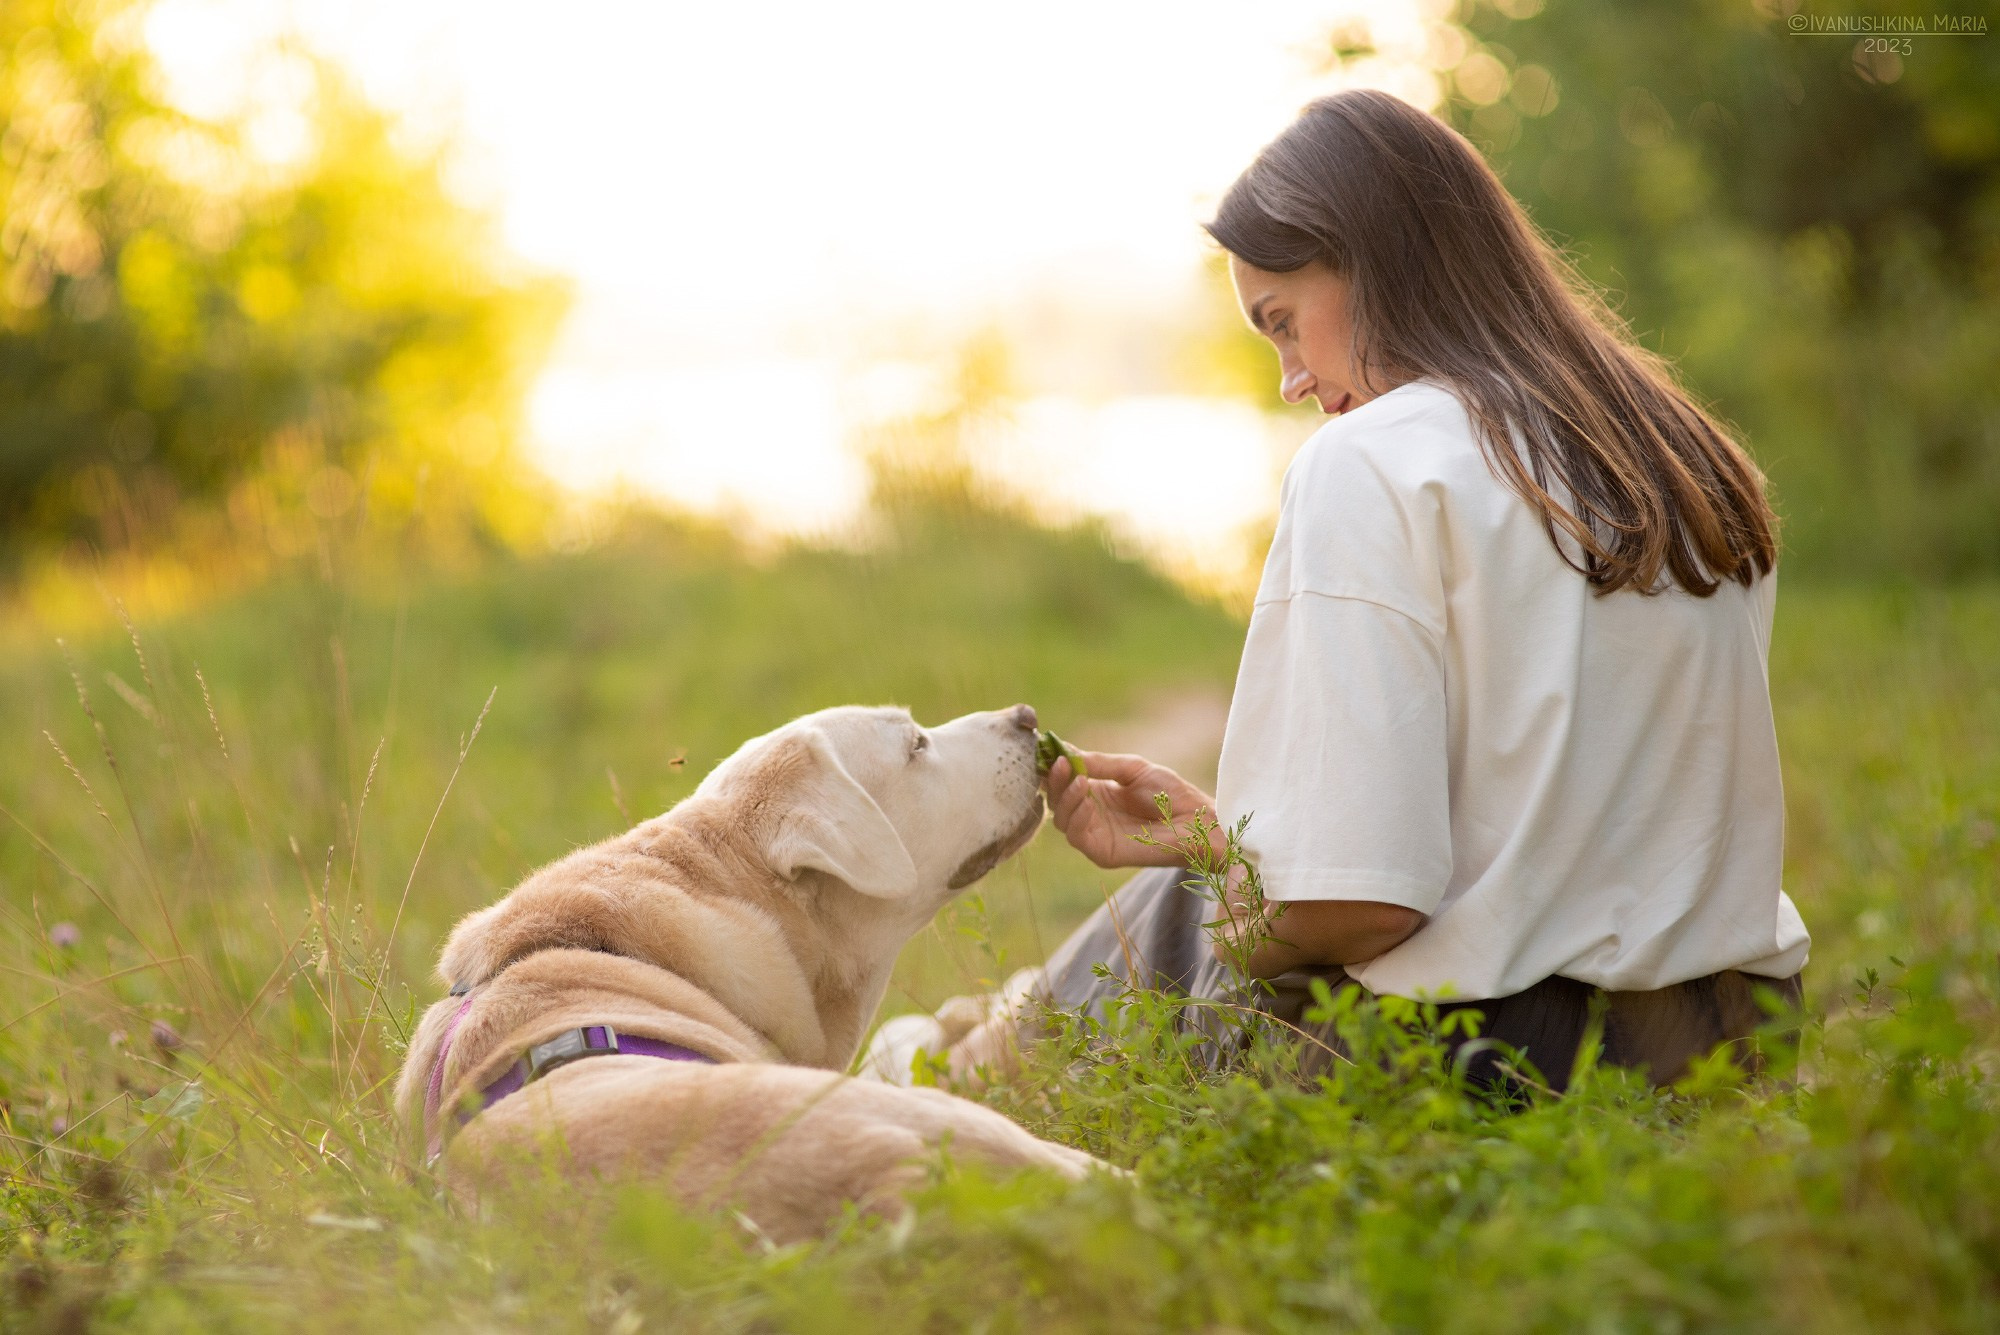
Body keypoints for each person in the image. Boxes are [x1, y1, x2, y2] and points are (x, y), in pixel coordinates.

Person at [875, 90, 1809, 1094]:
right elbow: (1548, 825)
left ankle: (950, 1076)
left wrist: (1230, 895)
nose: (1290, 380)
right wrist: (1213, 840)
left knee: (1194, 916)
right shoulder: (1678, 453)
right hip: (1725, 1047)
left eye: (1282, 323)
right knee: (1205, 882)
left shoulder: (1373, 459)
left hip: (1496, 1063)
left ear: (1376, 261)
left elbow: (1360, 910)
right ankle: (975, 1043)